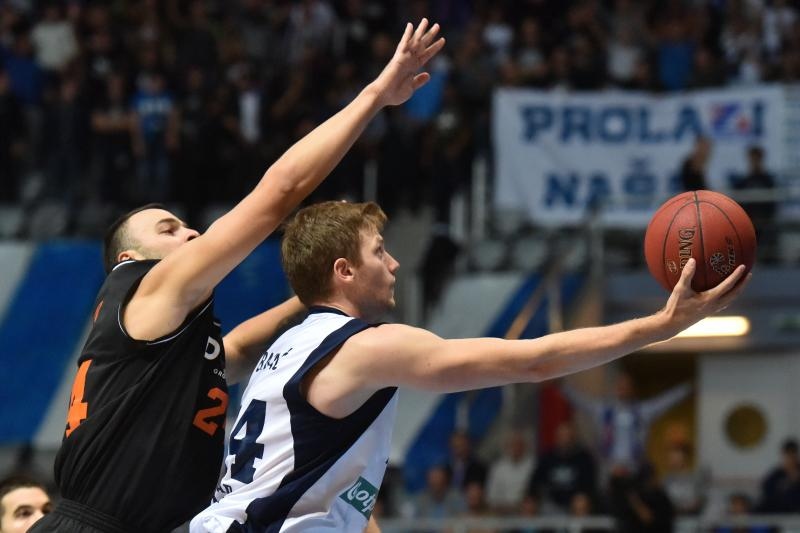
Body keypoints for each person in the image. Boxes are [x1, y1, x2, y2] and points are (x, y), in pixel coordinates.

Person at [30, 18, 445, 533]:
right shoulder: (145, 285)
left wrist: (326, 284)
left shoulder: (163, 340)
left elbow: (235, 354)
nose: (191, 235)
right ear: (128, 261)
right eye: (169, 229)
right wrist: (376, 95)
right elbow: (279, 192)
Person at [192, 199, 747, 532]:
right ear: (344, 271)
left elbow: (326, 492)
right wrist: (660, 326)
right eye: (379, 251)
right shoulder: (361, 346)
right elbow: (532, 362)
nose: (394, 262)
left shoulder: (285, 350)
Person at [562, 372, 692, 476]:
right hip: (609, 467)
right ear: (616, 389)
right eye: (620, 386)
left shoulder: (642, 412)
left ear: (632, 389)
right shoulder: (604, 411)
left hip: (634, 468)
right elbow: (582, 402)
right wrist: (561, 386)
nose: (623, 389)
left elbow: (664, 402)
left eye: (626, 386)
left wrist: (687, 387)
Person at [528, 421, 596, 512]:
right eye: (562, 436)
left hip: (576, 503)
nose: (565, 439)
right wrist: (533, 497)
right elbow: (535, 481)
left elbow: (589, 484)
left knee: (581, 502)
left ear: (574, 437)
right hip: (552, 502)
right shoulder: (547, 457)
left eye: (568, 436)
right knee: (533, 505)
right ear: (556, 437)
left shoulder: (584, 458)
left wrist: (582, 497)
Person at [485, 430, 536, 513]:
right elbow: (491, 497)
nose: (516, 448)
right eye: (513, 445)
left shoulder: (532, 466)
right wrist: (508, 508)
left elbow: (534, 494)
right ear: (507, 446)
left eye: (519, 445)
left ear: (525, 447)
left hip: (526, 513)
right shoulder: (498, 468)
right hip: (502, 513)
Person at [756, 438, 800, 513]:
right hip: (778, 508)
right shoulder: (777, 473)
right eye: (787, 455)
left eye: (792, 454)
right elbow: (766, 489)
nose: (790, 459)